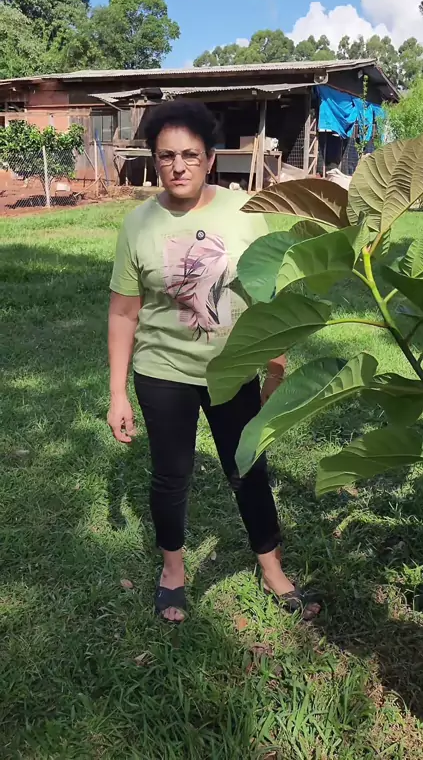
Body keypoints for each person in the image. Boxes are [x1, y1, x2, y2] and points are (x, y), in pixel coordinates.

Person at [107, 99, 321, 624]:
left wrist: (275, 364)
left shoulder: (243, 212)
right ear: (154, 160)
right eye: (166, 156)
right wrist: (117, 393)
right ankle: (173, 572)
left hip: (233, 369)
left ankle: (271, 568)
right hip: (162, 372)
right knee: (171, 476)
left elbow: (267, 294)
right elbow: (124, 312)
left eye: (190, 155)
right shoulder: (137, 225)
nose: (178, 167)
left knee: (247, 467)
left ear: (209, 158)